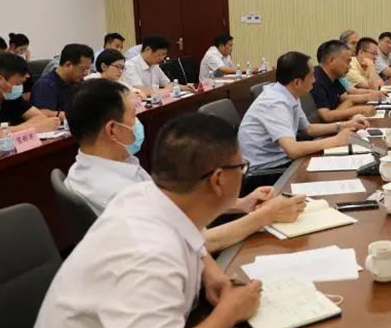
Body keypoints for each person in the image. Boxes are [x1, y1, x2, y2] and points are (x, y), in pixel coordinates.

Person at [16, 113, 267, 328]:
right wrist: (229, 312)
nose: (243, 174)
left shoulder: (149, 195)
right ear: (219, 180)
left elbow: (193, 240)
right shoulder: (146, 251)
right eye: (241, 167)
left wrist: (212, 274)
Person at [63, 79, 305, 252]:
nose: (138, 122)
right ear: (113, 130)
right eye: (133, 116)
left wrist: (241, 204)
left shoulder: (103, 164)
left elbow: (171, 208)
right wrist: (264, 216)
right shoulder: (112, 191)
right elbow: (189, 242)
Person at [240, 51, 367, 169]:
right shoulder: (275, 103)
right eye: (311, 76)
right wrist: (337, 140)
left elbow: (308, 129)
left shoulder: (288, 93)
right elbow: (293, 150)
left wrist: (345, 125)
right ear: (297, 82)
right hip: (268, 171)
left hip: (283, 161)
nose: (314, 80)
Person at [311, 40, 376, 122]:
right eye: (347, 62)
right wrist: (360, 110)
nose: (349, 66)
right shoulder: (316, 80)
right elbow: (326, 116)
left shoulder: (333, 76)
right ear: (332, 60)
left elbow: (346, 99)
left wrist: (371, 96)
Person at [31, 43, 93, 118]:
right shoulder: (45, 85)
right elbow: (42, 112)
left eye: (87, 70)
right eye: (83, 69)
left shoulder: (79, 82)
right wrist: (71, 115)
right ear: (68, 65)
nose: (86, 74)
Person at [0, 53, 58, 131]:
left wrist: (13, 130)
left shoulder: (11, 98)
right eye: (18, 84)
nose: (19, 88)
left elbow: (40, 117)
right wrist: (32, 128)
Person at [121, 35, 192, 95]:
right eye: (160, 55)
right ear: (148, 50)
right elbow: (140, 90)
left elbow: (167, 84)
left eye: (164, 55)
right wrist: (166, 91)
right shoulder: (130, 66)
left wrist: (184, 87)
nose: (162, 58)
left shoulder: (155, 65)